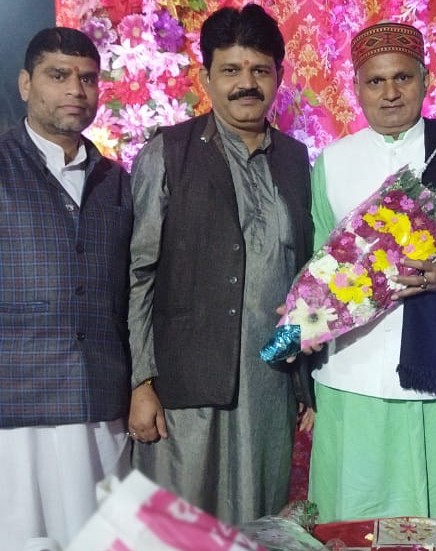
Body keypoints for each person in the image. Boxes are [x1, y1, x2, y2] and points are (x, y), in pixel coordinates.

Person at [308, 21, 436, 523]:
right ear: (356, 88)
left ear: (426, 79)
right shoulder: (332, 162)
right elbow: (319, 267)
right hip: (352, 378)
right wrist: (302, 321)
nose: (390, 93)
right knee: (353, 521)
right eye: (375, 81)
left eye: (402, 77)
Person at [127, 3, 314, 526]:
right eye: (231, 69)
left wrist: (304, 382)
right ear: (206, 76)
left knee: (256, 524)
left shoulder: (296, 160)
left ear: (279, 75)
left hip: (268, 387)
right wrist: (141, 382)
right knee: (179, 528)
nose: (246, 83)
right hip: (184, 384)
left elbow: (309, 278)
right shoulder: (169, 152)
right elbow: (139, 274)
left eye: (259, 70)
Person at [0, 27, 133, 550]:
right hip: (14, 406)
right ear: (25, 84)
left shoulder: (116, 181)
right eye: (58, 76)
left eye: (88, 79)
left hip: (98, 402)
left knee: (99, 540)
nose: (76, 90)